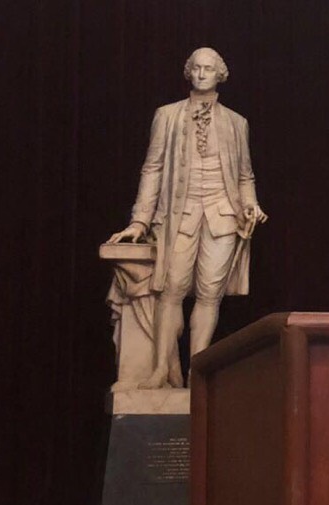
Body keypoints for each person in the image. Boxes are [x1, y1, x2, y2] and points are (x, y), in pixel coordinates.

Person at [107, 47, 267, 388]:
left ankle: (198, 372)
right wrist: (140, 221)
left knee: (210, 295)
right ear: (188, 72)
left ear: (220, 74)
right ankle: (162, 370)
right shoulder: (167, 116)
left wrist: (251, 205)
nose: (202, 74)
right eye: (196, 68)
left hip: (222, 218)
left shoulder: (237, 122)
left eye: (209, 68)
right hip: (177, 216)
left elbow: (244, 176)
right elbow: (152, 168)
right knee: (172, 291)